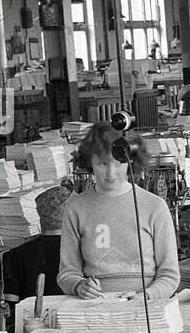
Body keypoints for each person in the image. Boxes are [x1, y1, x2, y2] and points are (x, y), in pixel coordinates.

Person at [57, 123, 181, 300]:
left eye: (119, 164)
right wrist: (79, 286)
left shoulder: (155, 207)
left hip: (145, 306)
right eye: (102, 164)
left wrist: (147, 296)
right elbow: (67, 273)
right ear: (89, 162)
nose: (111, 172)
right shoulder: (76, 208)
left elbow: (170, 275)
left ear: (132, 162)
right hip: (95, 307)